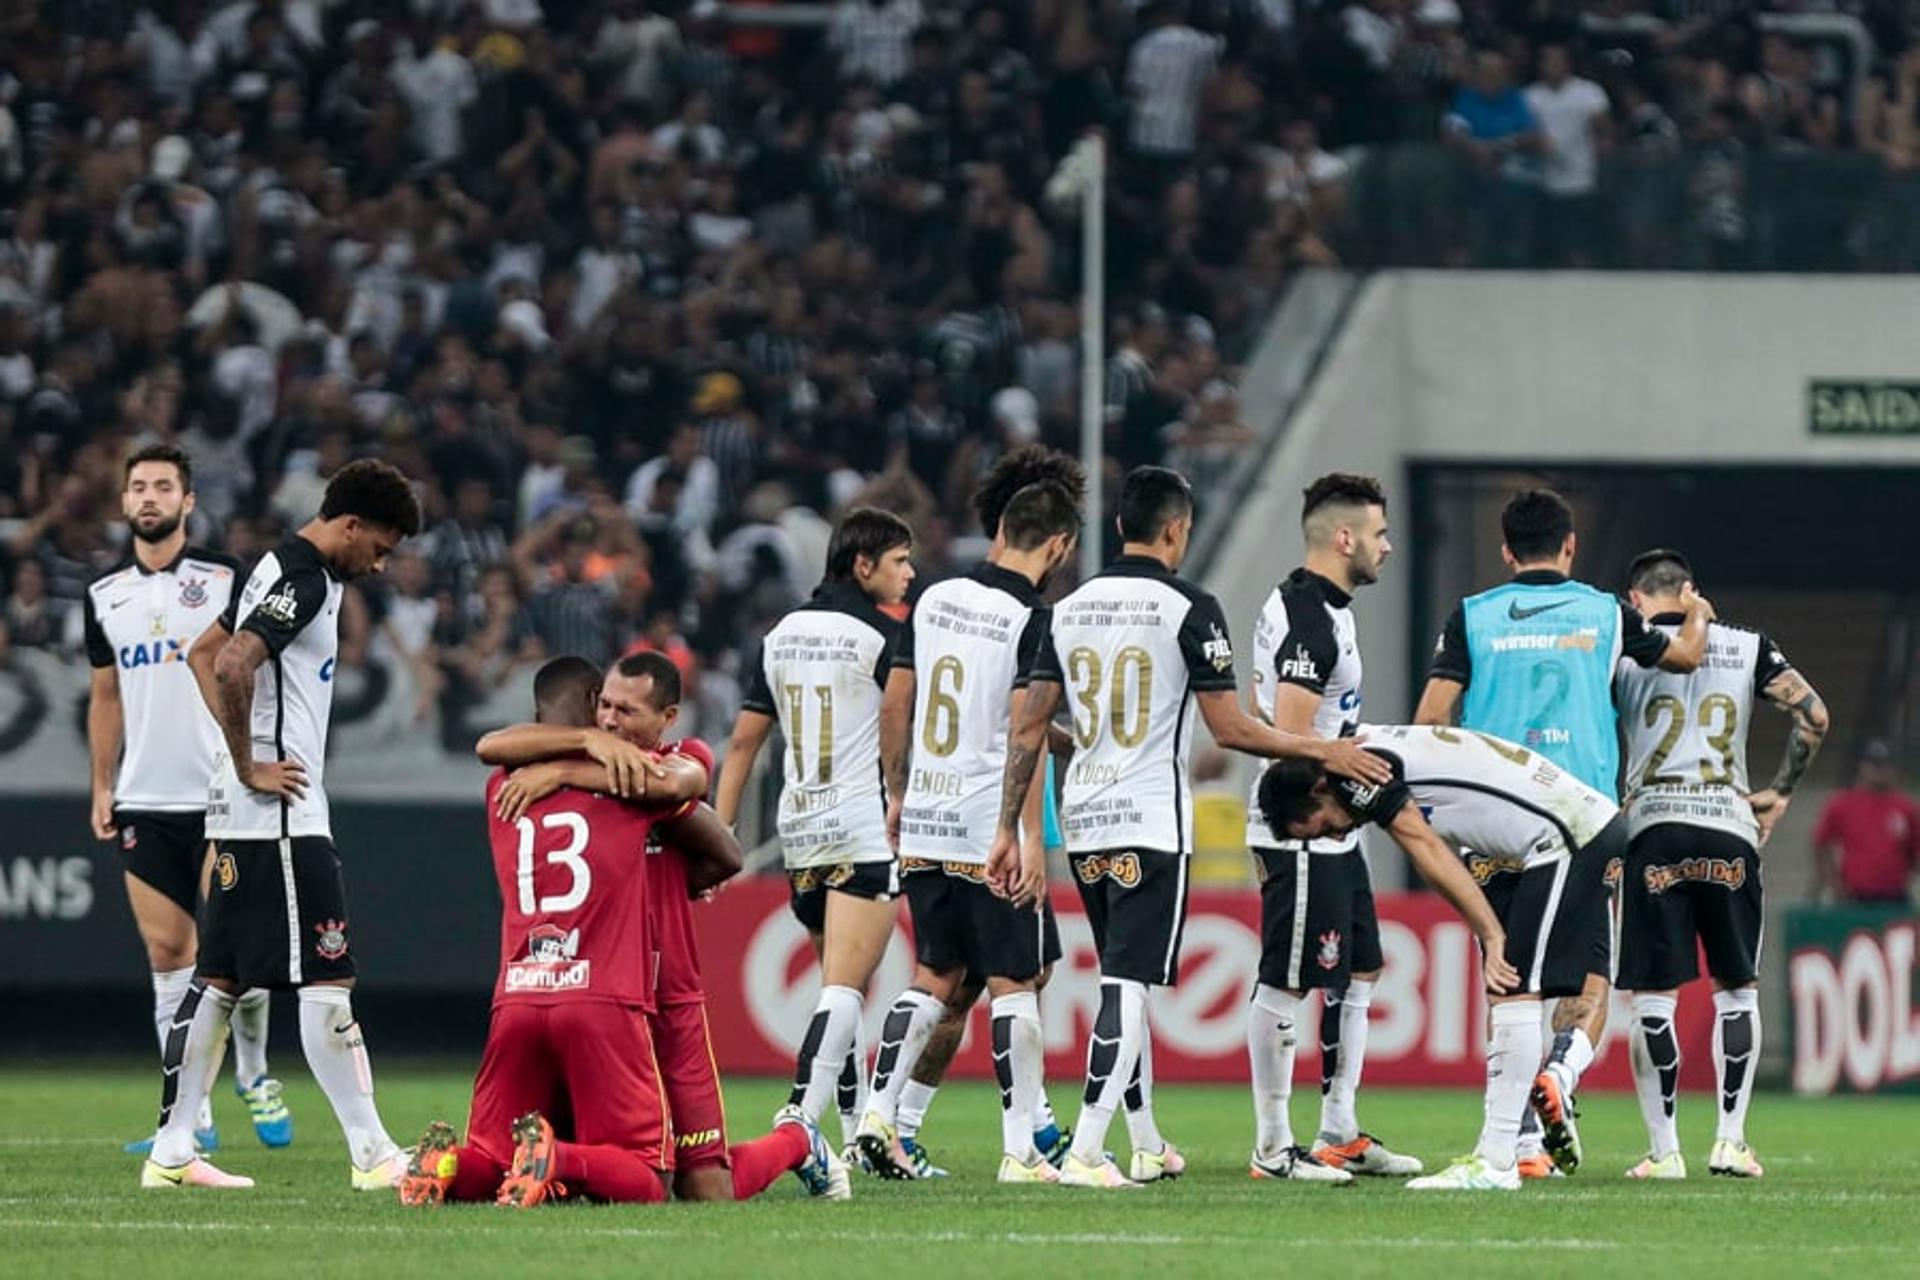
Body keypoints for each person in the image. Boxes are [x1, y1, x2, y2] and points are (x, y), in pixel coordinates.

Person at [990, 466, 1393, 1189]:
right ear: (1177, 530)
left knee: (1120, 975)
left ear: (1120, 528)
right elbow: (1231, 728)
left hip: (1083, 817)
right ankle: (1087, 1148)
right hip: (1149, 818)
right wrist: (1321, 747)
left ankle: (1144, 1141)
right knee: (1129, 982)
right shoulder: (1190, 606)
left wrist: (1007, 827)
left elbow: (1028, 726)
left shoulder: (1067, 606)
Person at [396, 656, 843, 1206]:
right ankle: (548, 1165)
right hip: (608, 995)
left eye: (623, 710)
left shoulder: (653, 768)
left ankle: (798, 1139)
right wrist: (581, 756)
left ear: (667, 717)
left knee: (707, 1188)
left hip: (662, 992)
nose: (609, 721)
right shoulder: (606, 779)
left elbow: (721, 844)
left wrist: (563, 769)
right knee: (612, 1173)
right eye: (603, 707)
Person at [1413, 487, 1711, 1177]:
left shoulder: (1472, 617)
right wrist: (1694, 611)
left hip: (1493, 818)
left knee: (1508, 974)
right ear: (1570, 546)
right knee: (1587, 982)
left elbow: (1431, 716)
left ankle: (1517, 1143)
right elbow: (1687, 657)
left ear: (1506, 550)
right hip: (1578, 817)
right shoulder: (1606, 613)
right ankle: (1546, 1091)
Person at [145, 460, 421, 1190]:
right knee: (328, 979)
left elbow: (203, 651)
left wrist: (236, 767)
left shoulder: (272, 565)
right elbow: (232, 665)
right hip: (282, 815)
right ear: (351, 525)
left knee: (222, 978)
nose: (381, 564)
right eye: (381, 547)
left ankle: (172, 1153)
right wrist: (250, 763)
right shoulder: (305, 580)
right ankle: (373, 1153)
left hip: (245, 815)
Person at [1260, 725, 1628, 1192]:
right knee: (1513, 989)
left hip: (1567, 836)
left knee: (1513, 985)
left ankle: (1496, 1161)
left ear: (1319, 787)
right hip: (1575, 830)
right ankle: (1503, 1152)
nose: (1342, 830)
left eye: (1328, 825)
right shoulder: (1364, 745)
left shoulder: (1358, 775)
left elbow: (1425, 847)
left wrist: (1491, 934)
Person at [865, 445, 1085, 1180]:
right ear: (1058, 545)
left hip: (924, 817)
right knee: (1014, 983)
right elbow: (1023, 732)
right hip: (984, 825)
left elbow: (897, 702)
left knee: (936, 973)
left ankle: (878, 1112)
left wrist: (897, 793)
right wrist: (1016, 837)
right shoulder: (1035, 621)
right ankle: (1022, 1147)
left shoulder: (933, 598)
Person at [87, 444, 290, 1157]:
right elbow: (107, 692)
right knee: (170, 955)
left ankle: (257, 1073)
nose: (149, 496)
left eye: (162, 486)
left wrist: (251, 756)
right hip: (145, 797)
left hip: (220, 789)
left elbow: (248, 669)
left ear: (188, 500)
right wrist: (102, 782)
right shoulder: (102, 594)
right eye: (137, 486)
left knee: (234, 950)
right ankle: (190, 1113)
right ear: (123, 502)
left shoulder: (223, 578)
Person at [1613, 549, 1830, 1181]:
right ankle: (1731, 1142)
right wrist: (1782, 790)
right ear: (1691, 590)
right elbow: (1814, 715)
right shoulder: (1746, 644)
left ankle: (1664, 1152)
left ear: (1635, 599)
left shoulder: (1623, 647)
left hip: (1652, 826)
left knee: (1654, 995)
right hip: (1729, 827)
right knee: (1736, 988)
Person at [715, 509, 914, 1159]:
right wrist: (899, 786)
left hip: (800, 829)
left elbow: (744, 742)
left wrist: (718, 830)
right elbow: (895, 714)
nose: (908, 574)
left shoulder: (781, 636)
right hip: (858, 823)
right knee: (847, 986)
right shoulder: (881, 637)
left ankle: (856, 1130)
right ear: (863, 565)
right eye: (899, 561)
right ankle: (800, 1114)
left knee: (838, 981)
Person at [1242, 473, 1414, 1184]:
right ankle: (1273, 1147)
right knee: (1287, 980)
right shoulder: (1310, 617)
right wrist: (1339, 756)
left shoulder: (1325, 607)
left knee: (1361, 968)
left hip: (1338, 821)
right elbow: (1288, 731)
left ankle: (1338, 1128)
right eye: (1378, 534)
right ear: (1344, 538)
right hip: (1302, 821)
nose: (1387, 546)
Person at [1814, 742, 1920, 907]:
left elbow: (1915, 850)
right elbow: (1821, 843)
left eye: (1885, 765)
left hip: (1895, 896)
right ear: (1862, 767)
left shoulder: (1905, 808)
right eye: (1874, 765)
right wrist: (1834, 883)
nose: (1879, 771)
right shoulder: (1842, 804)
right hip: (1854, 896)